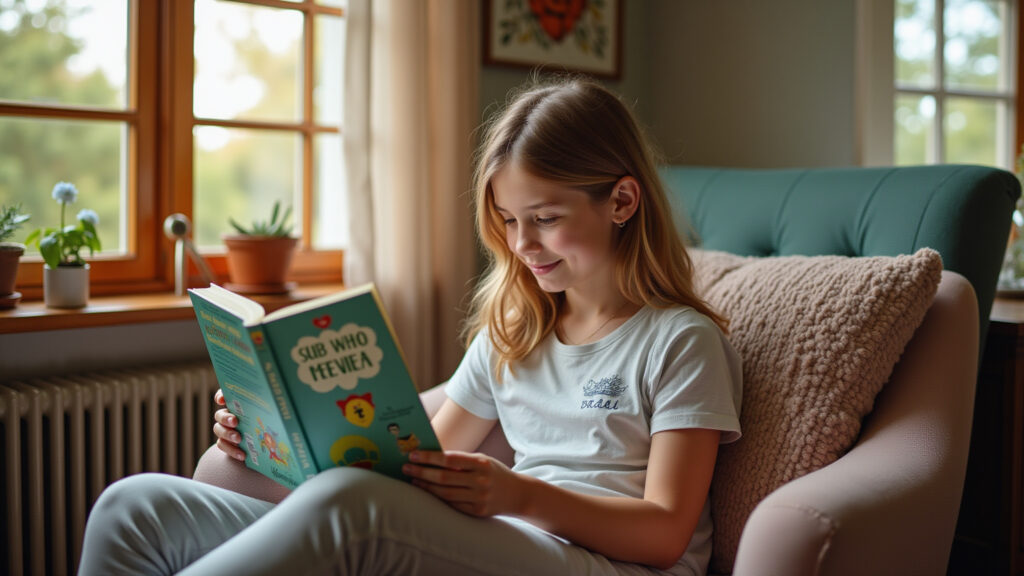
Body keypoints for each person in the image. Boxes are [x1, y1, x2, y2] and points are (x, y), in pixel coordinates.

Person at [77, 75, 742, 576]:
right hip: (511, 543)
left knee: (354, 506)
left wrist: (517, 494)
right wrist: (274, 433)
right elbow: (415, 468)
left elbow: (665, 534)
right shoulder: (515, 332)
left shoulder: (680, 341)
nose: (522, 244)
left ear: (622, 201)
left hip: (605, 563)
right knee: (133, 506)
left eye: (544, 219)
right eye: (509, 222)